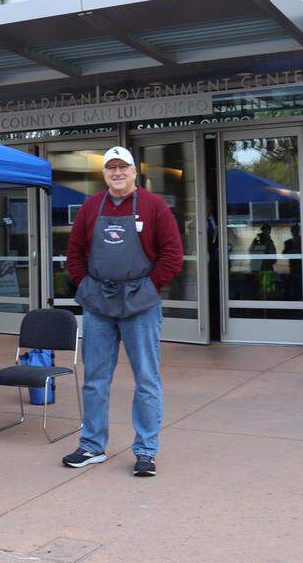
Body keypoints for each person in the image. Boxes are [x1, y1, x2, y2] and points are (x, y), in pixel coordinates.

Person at [62, 147, 182, 478]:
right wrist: (85, 286)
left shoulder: (154, 206)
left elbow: (173, 254)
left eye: (123, 167)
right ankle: (91, 445)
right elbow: (73, 253)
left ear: (134, 172)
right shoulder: (90, 207)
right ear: (104, 174)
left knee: (147, 378)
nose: (117, 172)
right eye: (111, 168)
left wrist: (148, 288)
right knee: (95, 379)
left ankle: (145, 451)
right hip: (98, 303)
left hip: (140, 304)